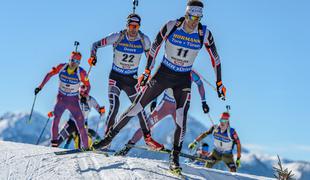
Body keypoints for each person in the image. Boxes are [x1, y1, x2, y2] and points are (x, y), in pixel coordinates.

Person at [94, 0, 226, 173]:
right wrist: (148, 71)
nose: (194, 21)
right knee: (136, 108)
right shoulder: (172, 25)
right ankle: (108, 139)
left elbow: (215, 58)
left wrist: (219, 82)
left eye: (198, 17)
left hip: (183, 78)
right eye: (192, 16)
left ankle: (175, 158)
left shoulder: (204, 33)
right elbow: (155, 47)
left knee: (181, 118)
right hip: (164, 73)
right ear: (186, 14)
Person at [88, 13, 162, 148]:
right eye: (131, 26)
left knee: (139, 109)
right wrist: (93, 56)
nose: (134, 29)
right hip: (115, 77)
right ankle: (106, 140)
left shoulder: (144, 40)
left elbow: (151, 59)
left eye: (137, 26)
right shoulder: (117, 36)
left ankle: (148, 138)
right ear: (127, 25)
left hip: (131, 80)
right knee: (114, 107)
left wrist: (147, 72)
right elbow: (95, 44)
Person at [115, 69, 210, 156]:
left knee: (181, 130)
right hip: (165, 105)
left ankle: (175, 154)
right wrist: (154, 101)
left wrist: (204, 102)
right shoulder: (171, 69)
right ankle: (127, 147)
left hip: (179, 106)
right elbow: (158, 84)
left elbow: (200, 84)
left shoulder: (191, 73)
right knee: (147, 126)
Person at [35, 51, 91, 149]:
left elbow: (88, 86)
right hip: (61, 98)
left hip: (73, 100)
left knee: (81, 124)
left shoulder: (81, 73)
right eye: (72, 60)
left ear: (79, 63)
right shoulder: (62, 67)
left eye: (77, 61)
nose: (74, 63)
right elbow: (49, 74)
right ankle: (54, 144)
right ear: (69, 60)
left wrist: (85, 95)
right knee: (56, 118)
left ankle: (86, 148)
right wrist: (40, 87)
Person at [56, 84, 105, 149]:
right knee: (61, 137)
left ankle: (85, 149)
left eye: (85, 90)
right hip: (72, 122)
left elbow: (100, 110)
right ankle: (51, 148)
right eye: (81, 89)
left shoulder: (91, 100)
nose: (83, 92)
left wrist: (101, 111)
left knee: (81, 140)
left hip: (83, 123)